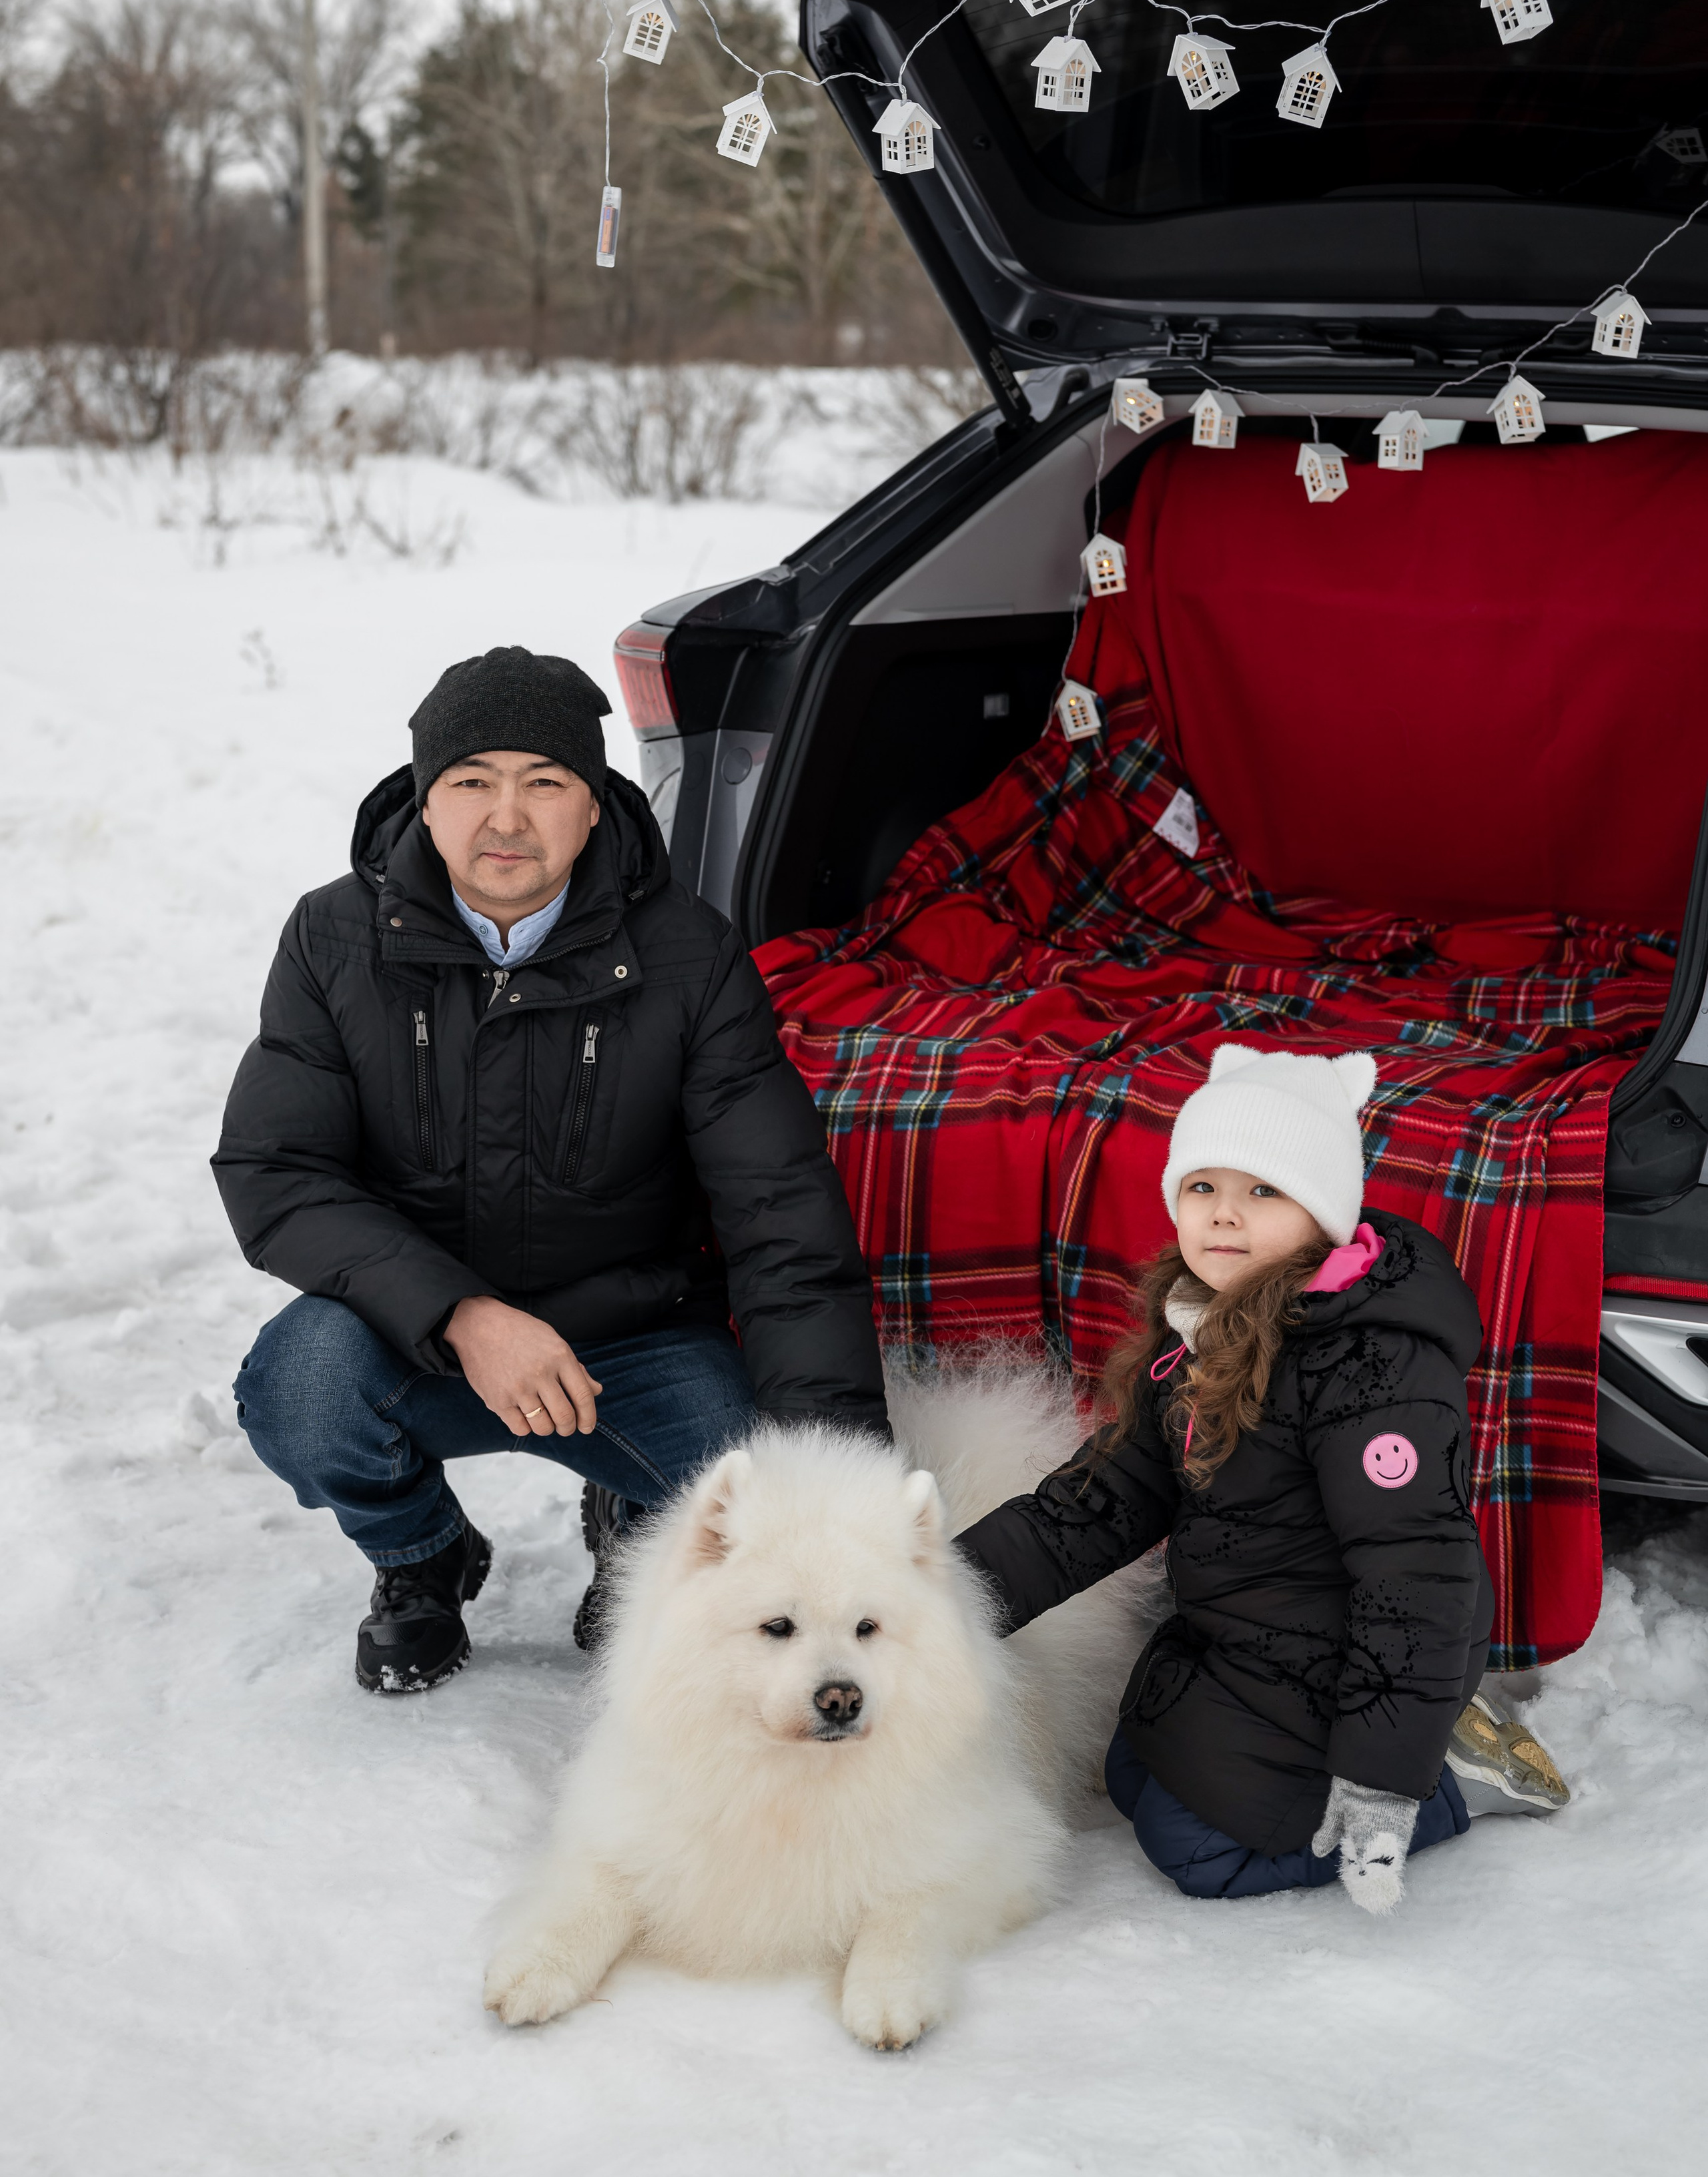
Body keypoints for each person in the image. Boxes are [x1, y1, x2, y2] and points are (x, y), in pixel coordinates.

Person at [214, 645, 886, 1694]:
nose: (506, 819)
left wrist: (837, 1484)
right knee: (299, 1388)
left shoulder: (688, 954)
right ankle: (423, 1556)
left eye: (544, 783)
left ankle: (638, 1520)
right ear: (424, 801)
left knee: (757, 1487)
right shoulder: (333, 938)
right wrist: (461, 1314)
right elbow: (276, 1170)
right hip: (417, 1338)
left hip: (634, 1345)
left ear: (594, 802)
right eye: (470, 782)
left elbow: (780, 1213)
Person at [955, 1044, 1570, 1911]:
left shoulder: (1371, 1369)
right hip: (1259, 1634)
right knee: (1133, 1775)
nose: (1225, 1214)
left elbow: (1417, 1578)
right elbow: (1098, 1505)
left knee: (1200, 1850)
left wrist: (1381, 1777)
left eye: (1265, 1191)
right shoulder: (1201, 1326)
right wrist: (946, 1589)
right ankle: (1418, 1738)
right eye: (1203, 1186)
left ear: (1323, 1212)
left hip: (1358, 1645)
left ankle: (1448, 1785)